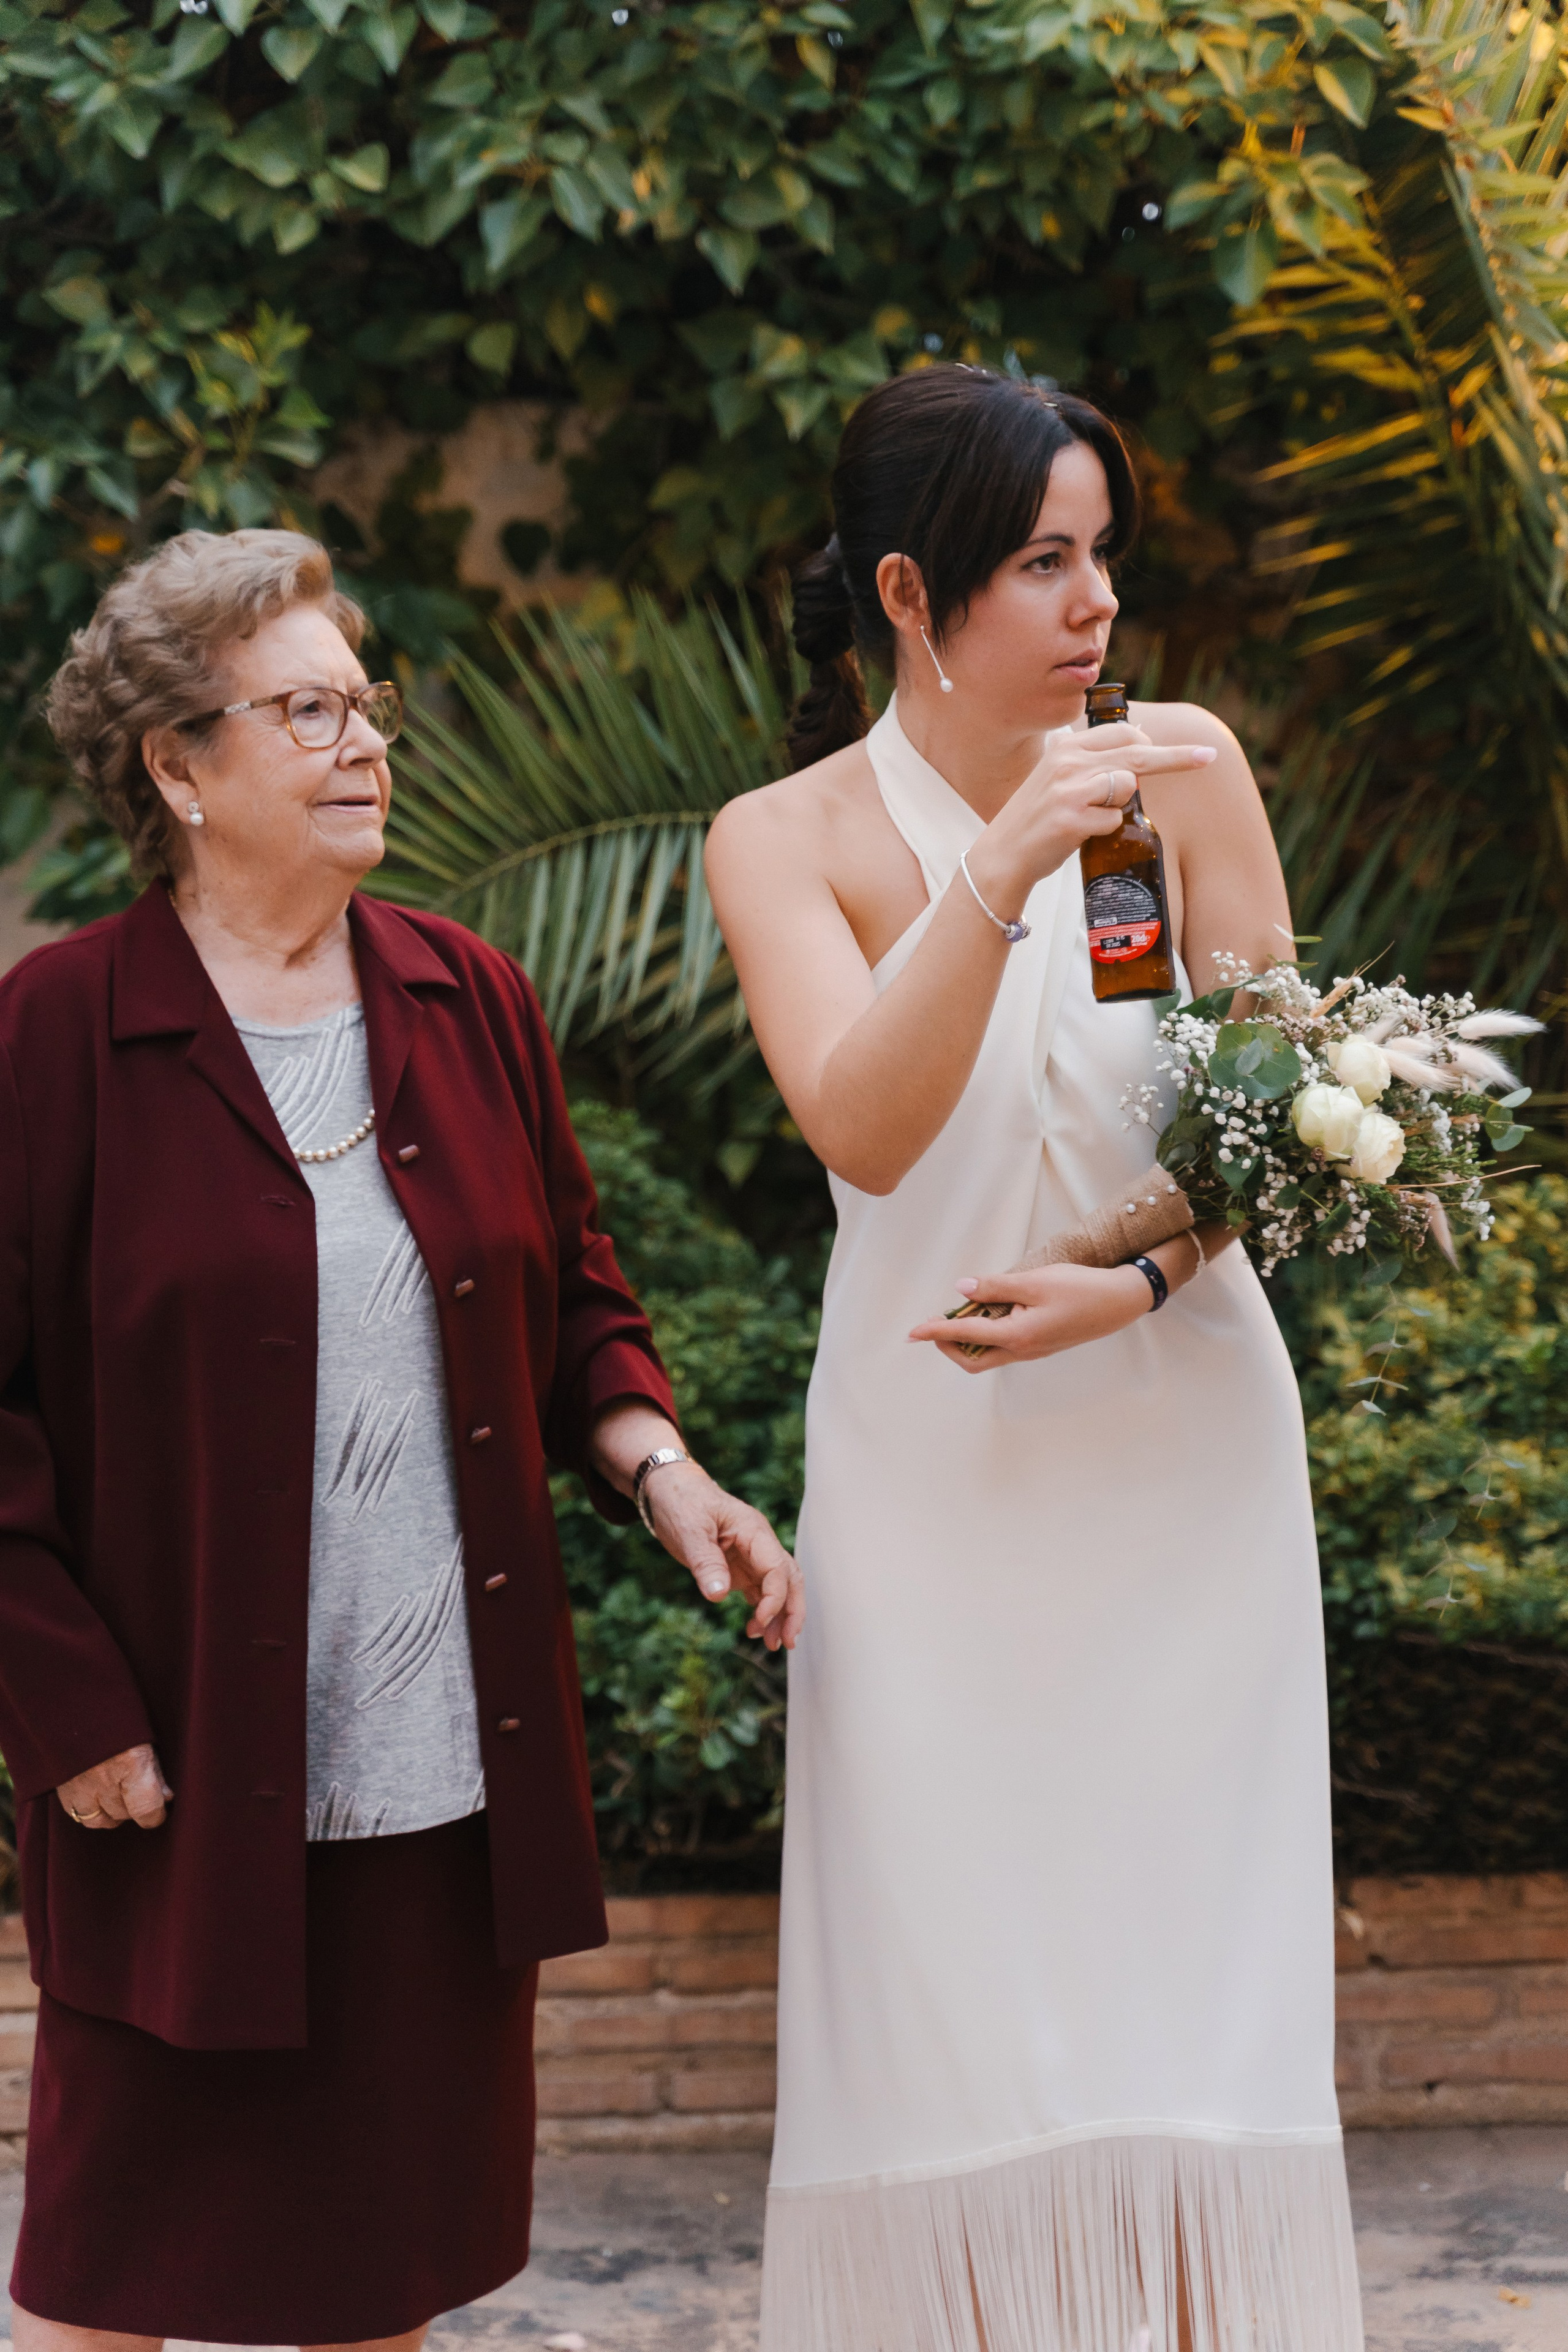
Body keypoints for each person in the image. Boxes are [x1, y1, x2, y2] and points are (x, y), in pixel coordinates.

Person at [1, 526, 803, 2351]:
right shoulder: (57, 1033)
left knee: (386, 2285)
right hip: (186, 1792)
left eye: (367, 704)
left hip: (443, 1781)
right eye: (305, 710)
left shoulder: (469, 997)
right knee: (107, 2292)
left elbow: (577, 1303)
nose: (362, 743)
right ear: (178, 766)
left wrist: (664, 1468)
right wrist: (67, 1711)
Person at [706, 366, 1362, 2351]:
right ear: (911, 591)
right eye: (1043, 562)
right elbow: (866, 1126)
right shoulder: (784, 836)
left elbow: (1281, 1133)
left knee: (1191, 2031)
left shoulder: (1192, 778)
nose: (1095, 608)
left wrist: (1145, 1282)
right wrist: (1002, 870)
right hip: (935, 1500)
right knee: (954, 2032)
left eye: (1104, 558)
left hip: (1187, 1484)